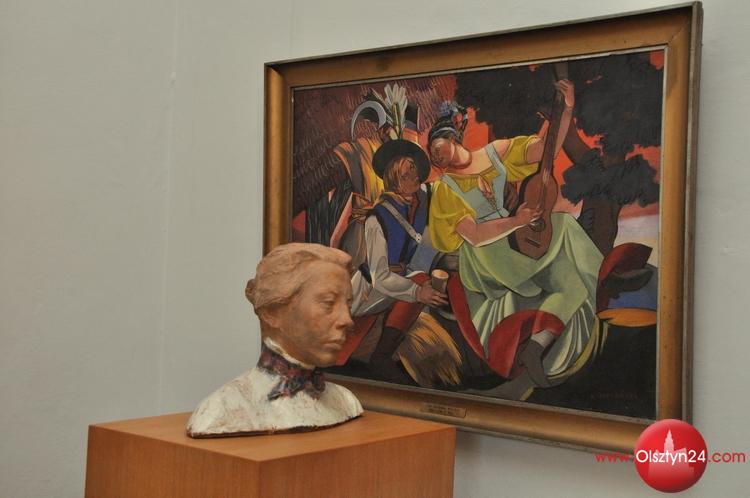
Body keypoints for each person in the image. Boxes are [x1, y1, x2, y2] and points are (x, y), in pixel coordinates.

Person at [426, 80, 605, 390]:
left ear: (451, 137)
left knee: (567, 239)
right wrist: (516, 221)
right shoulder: (445, 189)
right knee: (538, 253)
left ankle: (537, 345)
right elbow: (475, 236)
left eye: (436, 148)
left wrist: (566, 111)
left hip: (513, 233)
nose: (435, 157)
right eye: (432, 156)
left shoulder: (495, 153)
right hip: (483, 255)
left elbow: (544, 150)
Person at [187, 243, 363, 437]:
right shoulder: (222, 411)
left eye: (348, 305)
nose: (347, 320)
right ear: (272, 312)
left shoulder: (345, 402)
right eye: (328, 303)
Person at [344, 139, 448, 381]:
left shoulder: (418, 204)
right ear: (394, 179)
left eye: (413, 168)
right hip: (369, 292)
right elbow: (380, 277)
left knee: (425, 279)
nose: (414, 175)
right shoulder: (377, 218)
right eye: (406, 172)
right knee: (420, 282)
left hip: (396, 281)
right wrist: (417, 292)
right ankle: (380, 358)